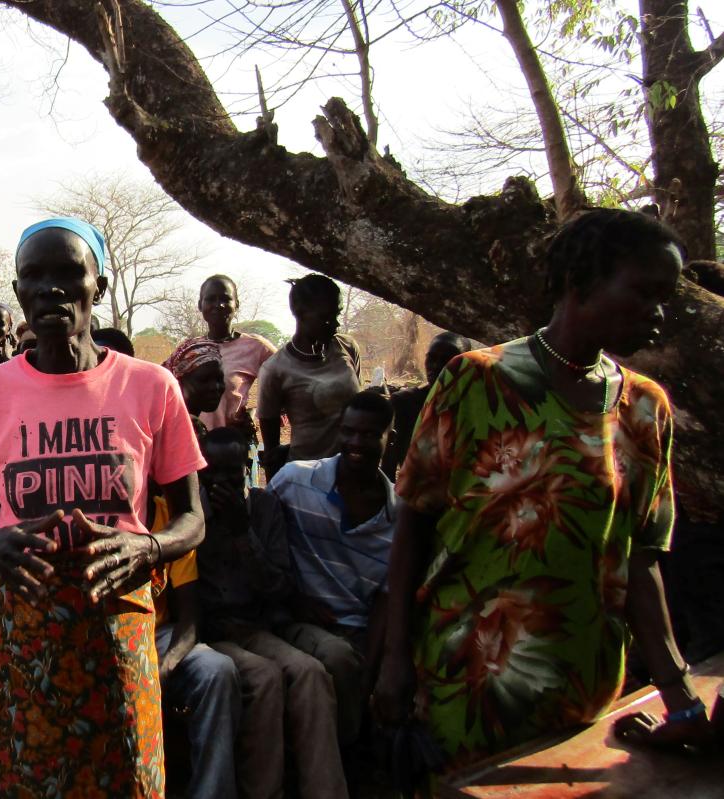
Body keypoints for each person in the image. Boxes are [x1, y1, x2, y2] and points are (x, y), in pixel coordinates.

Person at [374, 209, 713, 773]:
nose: (660, 314)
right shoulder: (475, 381)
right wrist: (393, 661)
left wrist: (680, 695)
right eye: (645, 293)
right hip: (471, 678)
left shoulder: (645, 407)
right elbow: (413, 524)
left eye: (666, 298)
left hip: (585, 679)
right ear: (581, 282)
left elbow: (642, 558)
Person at [0, 217, 206, 797]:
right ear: (17, 293)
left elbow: (193, 519)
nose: (50, 289)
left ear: (100, 287)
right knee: (26, 779)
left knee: (127, 776)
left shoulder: (152, 385)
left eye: (68, 273)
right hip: (25, 623)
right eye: (33, 276)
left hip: (120, 618)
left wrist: (149, 545)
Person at [197, 426, 347, 799]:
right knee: (264, 679)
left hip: (260, 624)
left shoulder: (262, 508)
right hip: (215, 631)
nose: (223, 485)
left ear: (247, 469)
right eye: (212, 475)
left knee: (311, 673)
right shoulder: (193, 517)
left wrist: (243, 533)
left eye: (233, 474)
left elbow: (279, 584)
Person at [269, 388, 396, 747]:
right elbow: (259, 537)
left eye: (370, 434)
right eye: (349, 431)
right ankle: (346, 761)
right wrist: (292, 596)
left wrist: (374, 665)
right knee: (338, 660)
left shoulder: (397, 518)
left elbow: (386, 603)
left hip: (357, 630)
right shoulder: (295, 481)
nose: (356, 442)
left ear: (390, 438)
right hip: (299, 619)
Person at [155, 547, 239, 799]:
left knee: (217, 670)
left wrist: (164, 668)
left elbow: (189, 618)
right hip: (99, 633)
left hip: (156, 634)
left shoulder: (169, 516)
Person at [257, 274, 361, 479]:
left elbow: (359, 410)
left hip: (351, 472)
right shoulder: (275, 369)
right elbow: (271, 451)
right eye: (326, 317)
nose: (335, 324)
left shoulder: (347, 348)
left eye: (337, 314)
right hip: (306, 477)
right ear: (300, 313)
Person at [193, 275, 277, 440]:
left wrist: (254, 413)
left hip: (231, 448)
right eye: (210, 299)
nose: (218, 305)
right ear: (200, 305)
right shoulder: (189, 350)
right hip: (192, 446)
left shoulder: (255, 347)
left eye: (225, 299)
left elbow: (289, 377)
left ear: (236, 305)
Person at [381, 331, 471, 480]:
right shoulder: (404, 403)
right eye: (431, 359)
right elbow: (389, 463)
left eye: (447, 361)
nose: (436, 366)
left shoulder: (476, 405)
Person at [162, 336, 225, 443]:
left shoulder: (189, 424)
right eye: (204, 380)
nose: (215, 387)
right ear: (179, 381)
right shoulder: (180, 430)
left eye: (219, 379)